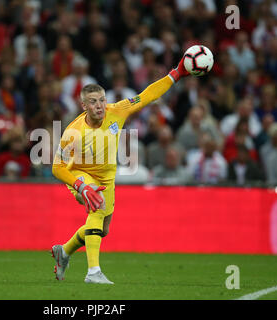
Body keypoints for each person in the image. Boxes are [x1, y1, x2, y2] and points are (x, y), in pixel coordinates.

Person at [50, 53, 191, 284]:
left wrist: (175, 74)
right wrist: (80, 186)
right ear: (84, 105)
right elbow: (57, 168)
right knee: (97, 204)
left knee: (102, 230)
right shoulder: (73, 133)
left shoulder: (117, 110)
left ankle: (63, 251)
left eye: (102, 100)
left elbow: (146, 96)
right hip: (80, 175)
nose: (100, 105)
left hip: (107, 176)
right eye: (93, 101)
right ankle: (93, 273)